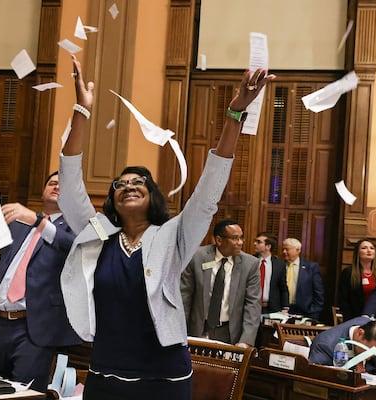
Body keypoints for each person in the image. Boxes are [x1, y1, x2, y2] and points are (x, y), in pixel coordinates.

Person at [58, 54, 273, 400]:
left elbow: (207, 192)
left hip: (164, 378)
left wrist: (235, 114)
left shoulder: (173, 235)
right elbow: (68, 185)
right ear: (112, 200)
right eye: (120, 183)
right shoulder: (96, 235)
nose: (128, 185)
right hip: (105, 373)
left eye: (138, 180)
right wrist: (82, 111)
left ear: (152, 194)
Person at [0, 171, 81, 391]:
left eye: (64, 184)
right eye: (53, 182)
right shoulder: (18, 224)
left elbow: (72, 247)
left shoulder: (78, 228)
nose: (57, 186)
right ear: (43, 190)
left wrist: (38, 222)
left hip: (34, 327)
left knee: (23, 394)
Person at [181, 220, 261, 346]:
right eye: (235, 238)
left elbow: (253, 305)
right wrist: (178, 333)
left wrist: (245, 341)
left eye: (241, 238)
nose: (240, 242)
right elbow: (184, 298)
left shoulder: (250, 265)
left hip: (230, 333)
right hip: (197, 330)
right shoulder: (196, 258)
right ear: (219, 240)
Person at [308, 316, 376, 373]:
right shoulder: (325, 346)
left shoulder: (369, 326)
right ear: (360, 333)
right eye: (369, 352)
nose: (369, 357)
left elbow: (371, 368)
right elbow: (317, 381)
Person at [338, 239, 376, 321]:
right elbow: (344, 300)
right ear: (357, 252)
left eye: (372, 248)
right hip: (355, 317)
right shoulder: (349, 273)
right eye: (364, 248)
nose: (369, 250)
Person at [282, 238, 324, 319]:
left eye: (287, 249)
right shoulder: (279, 266)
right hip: (282, 311)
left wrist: (314, 311)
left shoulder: (311, 267)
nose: (284, 252)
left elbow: (318, 292)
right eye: (283, 249)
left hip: (305, 312)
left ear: (298, 250)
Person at [254, 232, 289, 314]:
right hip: (251, 307)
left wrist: (285, 307)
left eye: (259, 242)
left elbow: (283, 287)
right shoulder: (250, 261)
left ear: (268, 246)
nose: (255, 244)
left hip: (271, 308)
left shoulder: (279, 265)